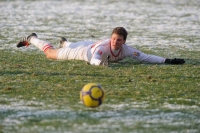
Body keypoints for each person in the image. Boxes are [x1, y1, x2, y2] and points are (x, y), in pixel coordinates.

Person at [16, 27, 185, 66]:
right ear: (110, 38)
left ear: (124, 42)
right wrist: (101, 64)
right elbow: (94, 58)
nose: (115, 42)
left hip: (90, 45)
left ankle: (65, 43)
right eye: (113, 39)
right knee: (50, 54)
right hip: (84, 52)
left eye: (119, 40)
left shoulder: (126, 49)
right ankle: (32, 38)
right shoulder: (104, 47)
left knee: (70, 44)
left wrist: (167, 60)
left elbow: (144, 57)